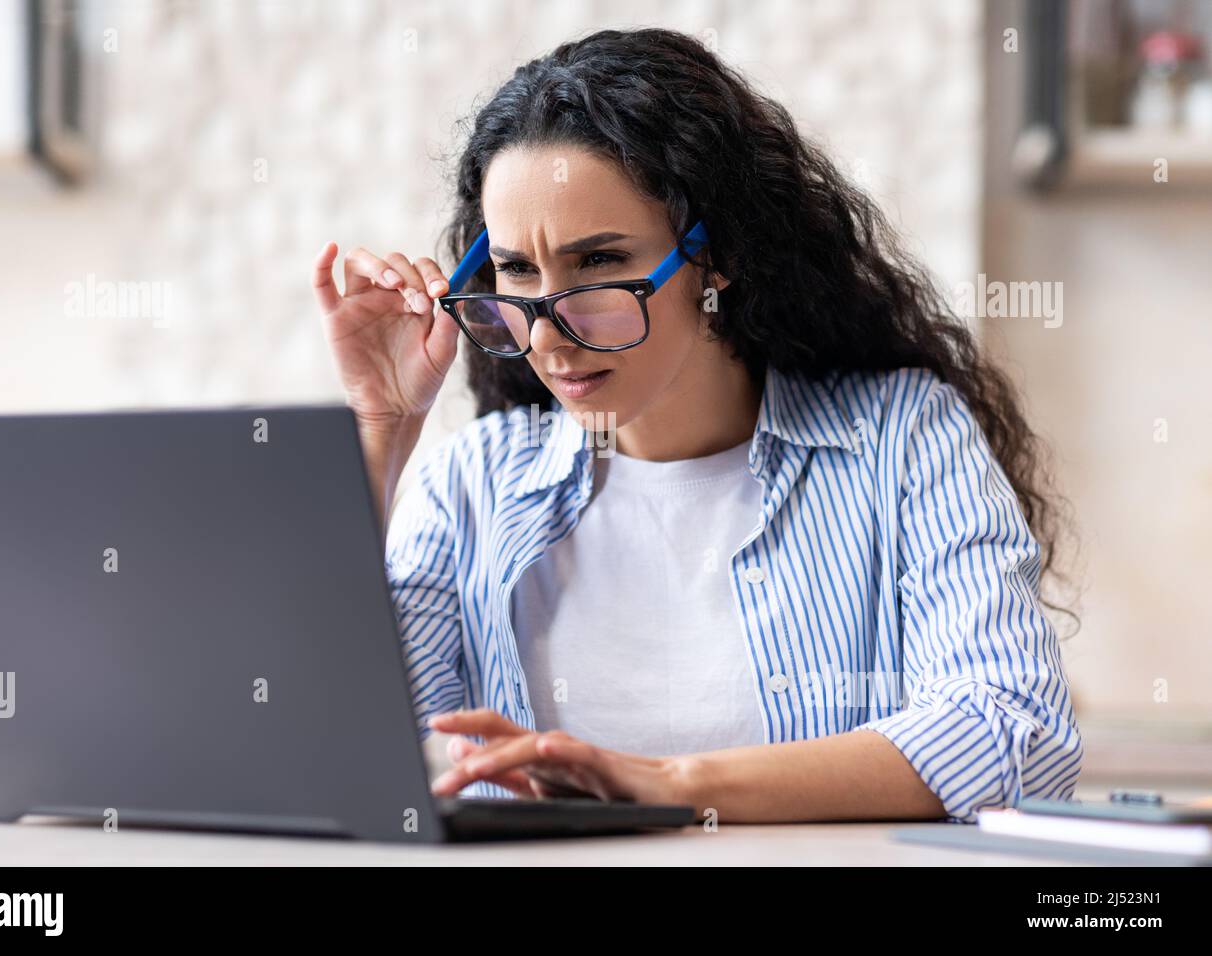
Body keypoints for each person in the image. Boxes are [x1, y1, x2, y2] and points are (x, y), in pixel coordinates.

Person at [311, 28, 1082, 824]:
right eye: (515, 271)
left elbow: (1014, 732)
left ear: (717, 260)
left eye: (601, 264)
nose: (547, 334)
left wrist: (667, 787)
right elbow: (338, 755)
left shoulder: (902, 441)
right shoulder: (472, 485)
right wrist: (381, 430)